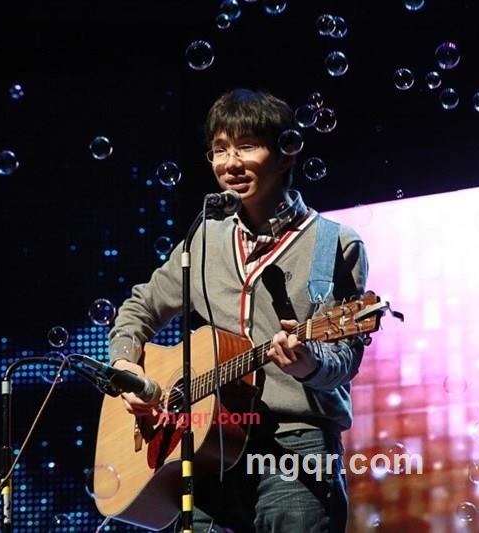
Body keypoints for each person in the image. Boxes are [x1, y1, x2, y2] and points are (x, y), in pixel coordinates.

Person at [108, 88, 368, 532]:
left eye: (246, 147)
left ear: (285, 154)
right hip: (208, 444)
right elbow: (140, 306)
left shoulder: (334, 243)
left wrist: (309, 364)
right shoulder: (204, 238)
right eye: (219, 150)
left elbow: (345, 358)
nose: (230, 164)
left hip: (296, 444)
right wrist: (125, 367)